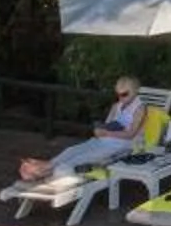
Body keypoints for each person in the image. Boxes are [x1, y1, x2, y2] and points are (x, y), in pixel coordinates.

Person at [18, 77, 154, 184]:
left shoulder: (140, 109)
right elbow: (108, 125)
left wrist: (107, 132)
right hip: (105, 141)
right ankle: (45, 168)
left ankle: (48, 171)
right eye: (118, 94)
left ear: (135, 92)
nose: (121, 98)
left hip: (123, 145)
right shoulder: (116, 106)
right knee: (71, 151)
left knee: (80, 158)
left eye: (124, 94)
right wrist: (100, 130)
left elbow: (131, 134)